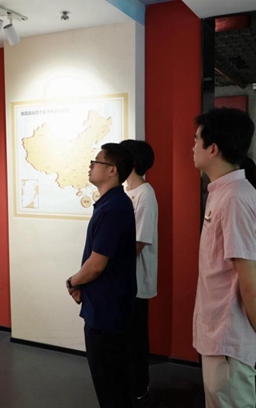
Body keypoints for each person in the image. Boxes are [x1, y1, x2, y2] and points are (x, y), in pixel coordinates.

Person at [192, 107, 256, 408]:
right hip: (221, 330)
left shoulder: (234, 198)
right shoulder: (225, 192)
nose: (193, 147)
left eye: (196, 140)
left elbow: (250, 279)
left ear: (213, 149)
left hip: (228, 335)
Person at [66, 143, 137, 408]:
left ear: (112, 170)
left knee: (110, 381)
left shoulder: (114, 207)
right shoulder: (112, 203)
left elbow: (96, 264)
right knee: (113, 378)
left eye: (96, 161)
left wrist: (72, 281)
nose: (91, 166)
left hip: (107, 310)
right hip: (107, 305)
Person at [120, 139, 159, 402]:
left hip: (135, 279)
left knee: (135, 336)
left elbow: (139, 242)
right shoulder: (126, 191)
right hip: (124, 278)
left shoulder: (145, 194)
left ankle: (139, 385)